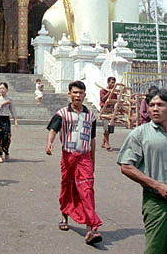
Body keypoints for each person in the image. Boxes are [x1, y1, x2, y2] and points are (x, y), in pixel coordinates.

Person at [46, 80, 102, 245]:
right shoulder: (62, 114)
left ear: (85, 95)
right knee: (68, 186)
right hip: (68, 157)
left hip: (84, 158)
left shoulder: (90, 116)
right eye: (75, 93)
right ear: (69, 94)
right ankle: (65, 215)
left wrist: (92, 161)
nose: (78, 96)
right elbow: (53, 129)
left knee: (87, 190)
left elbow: (92, 140)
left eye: (81, 93)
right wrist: (49, 143)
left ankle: (91, 228)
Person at [117, 88, 167, 254]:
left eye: (160, 104)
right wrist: (158, 186)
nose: (155, 108)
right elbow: (126, 165)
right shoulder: (140, 134)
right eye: (151, 105)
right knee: (156, 248)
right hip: (157, 202)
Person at [0, 82, 18, 163]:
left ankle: (6, 151)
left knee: (7, 136)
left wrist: (15, 120)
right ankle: (0, 155)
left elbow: (12, 110)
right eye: (0, 88)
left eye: (3, 88)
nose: (1, 90)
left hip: (6, 118)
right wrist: (4, 103)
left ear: (7, 89)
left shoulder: (9, 99)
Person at [99, 76, 117, 150]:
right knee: (106, 128)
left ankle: (103, 143)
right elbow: (102, 99)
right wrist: (109, 92)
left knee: (110, 129)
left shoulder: (115, 92)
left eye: (114, 83)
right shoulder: (103, 90)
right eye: (111, 82)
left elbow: (116, 100)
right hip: (105, 110)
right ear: (108, 82)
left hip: (111, 111)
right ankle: (107, 144)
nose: (113, 84)